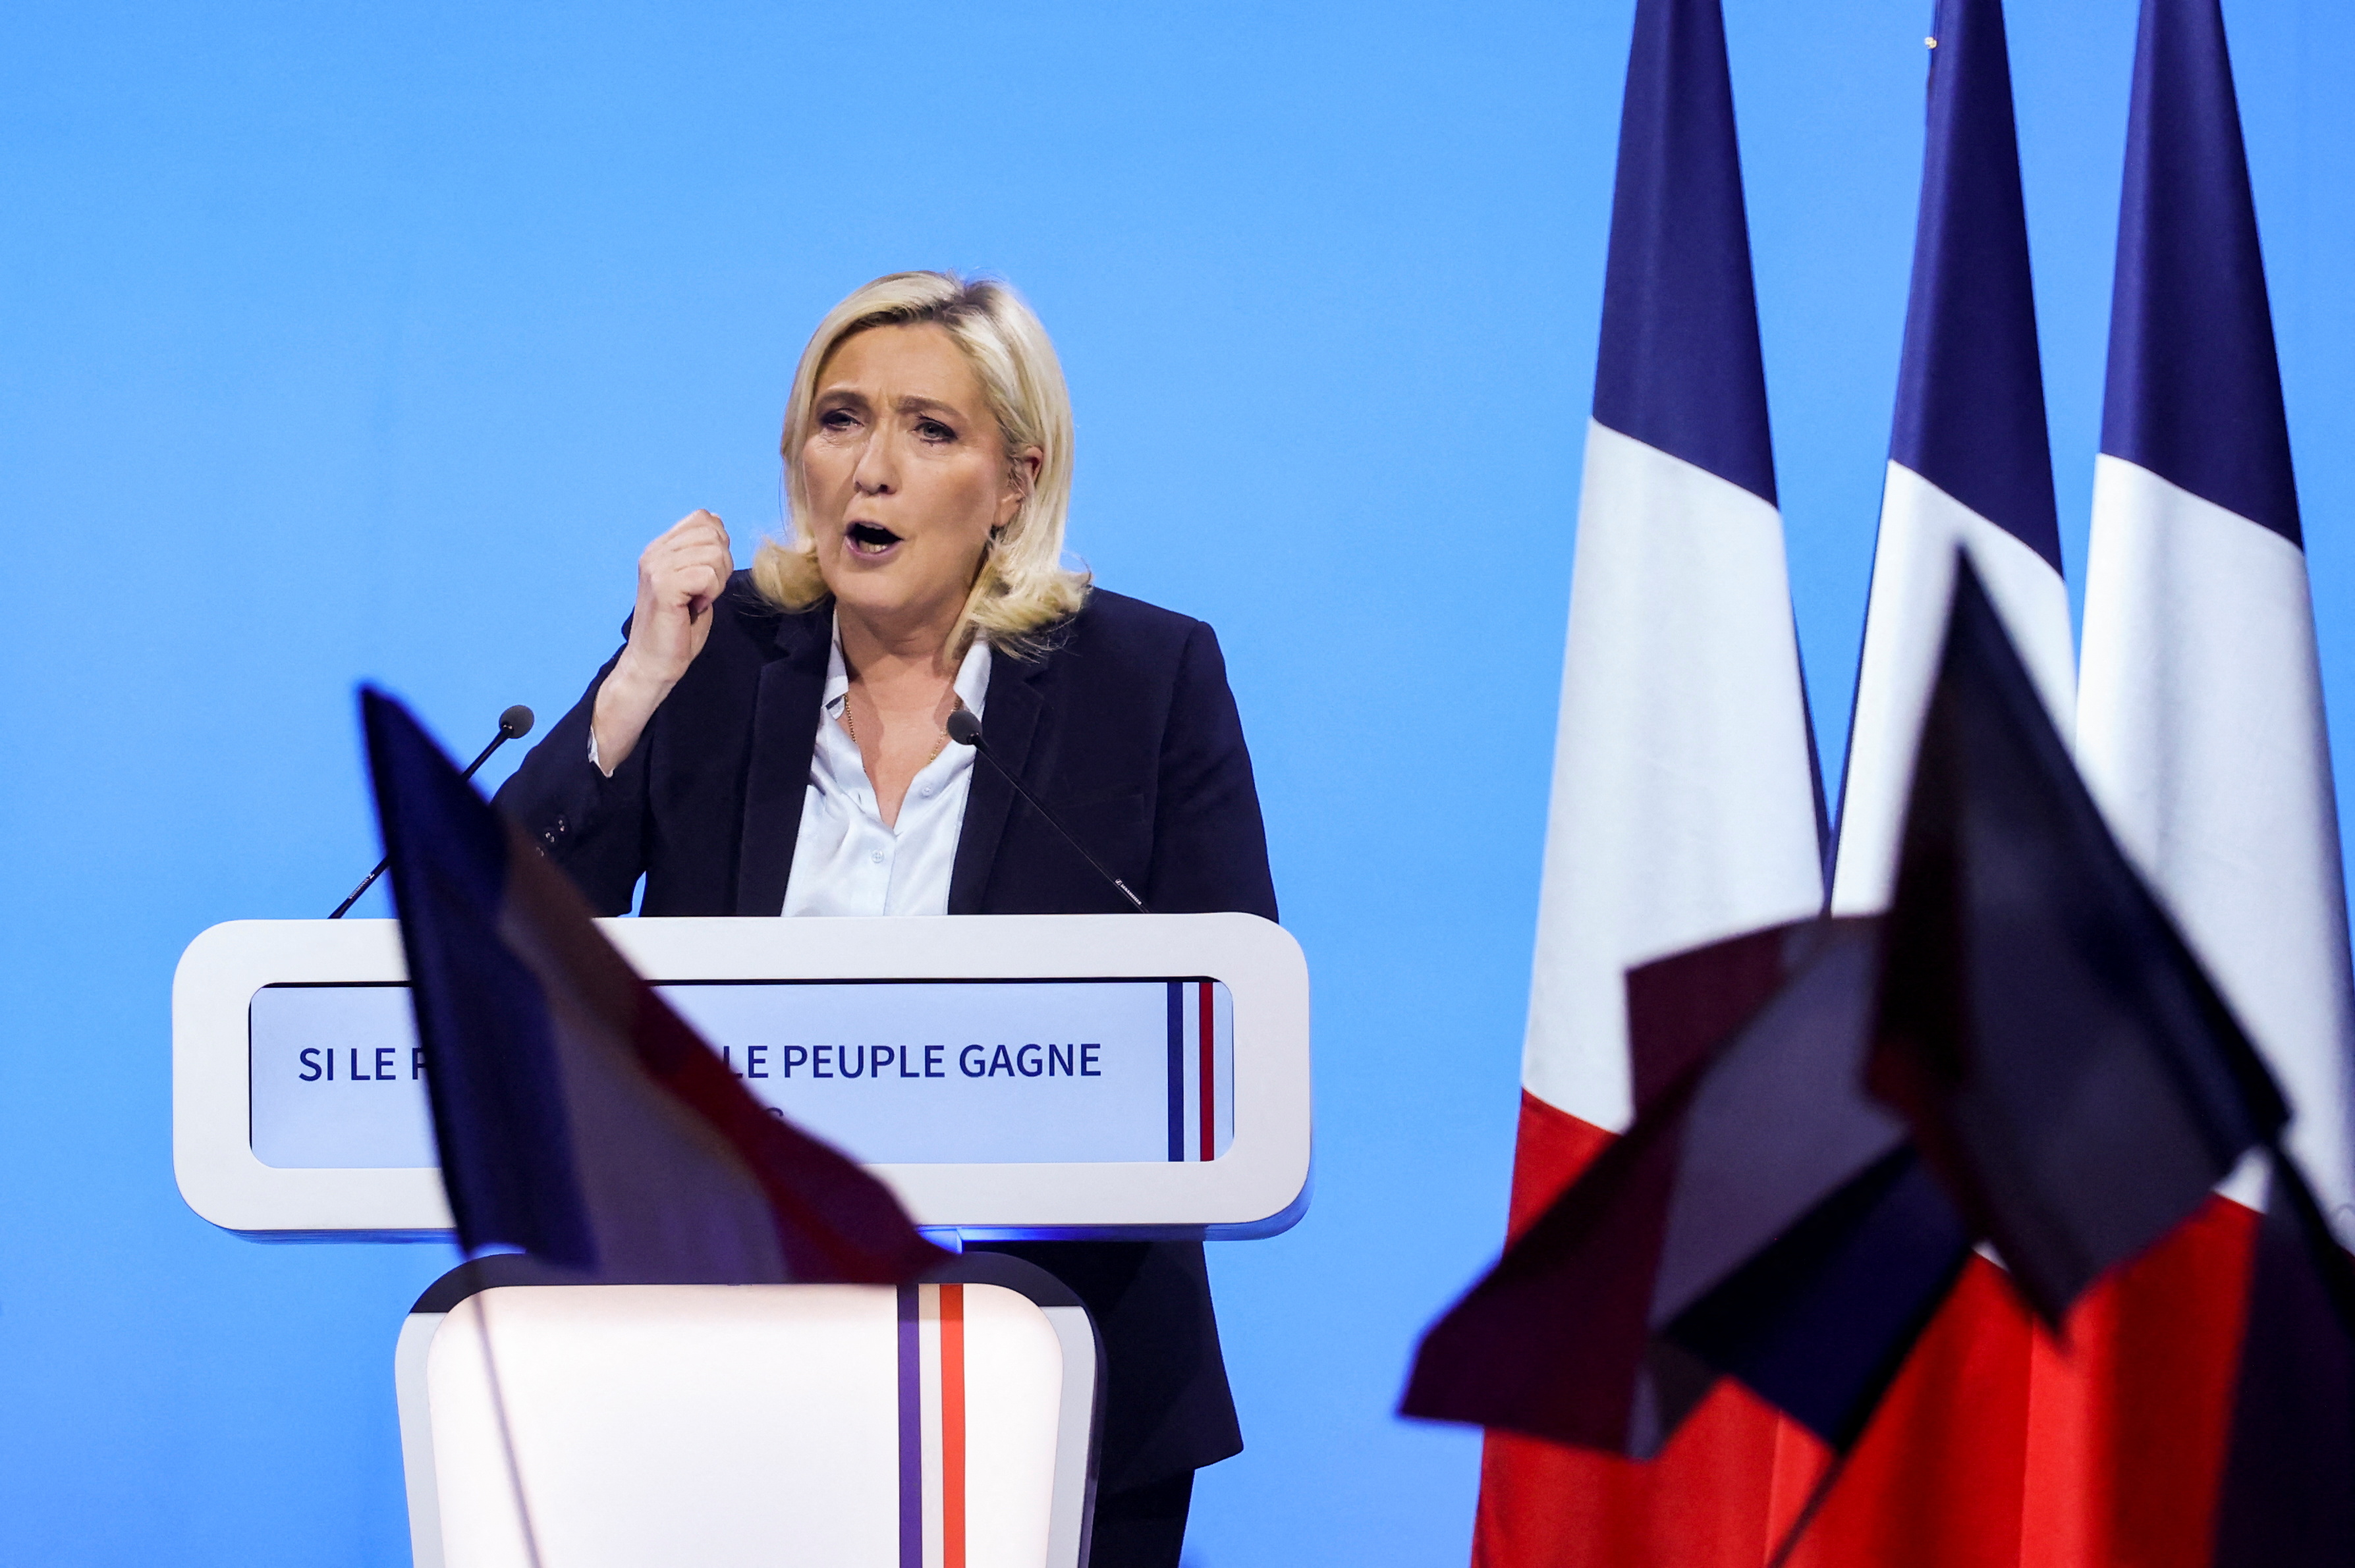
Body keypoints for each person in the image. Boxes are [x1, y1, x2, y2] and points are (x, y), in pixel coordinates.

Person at [494, 270, 1277, 1567]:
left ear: (1016, 482)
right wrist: (632, 686)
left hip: (1059, 1366)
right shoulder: (709, 656)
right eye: (840, 420)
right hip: (724, 1363)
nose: (872, 469)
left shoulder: (1144, 680)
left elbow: (1228, 1024)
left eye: (931, 430)